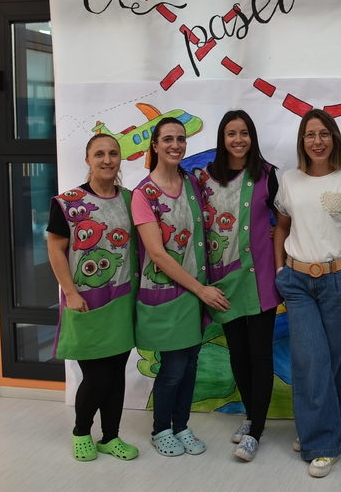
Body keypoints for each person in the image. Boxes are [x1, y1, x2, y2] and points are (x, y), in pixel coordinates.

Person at [273, 109, 341, 478]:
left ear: (334, 139)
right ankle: (323, 442)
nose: (317, 141)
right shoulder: (290, 180)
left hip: (337, 280)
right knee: (311, 360)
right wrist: (280, 270)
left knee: (337, 362)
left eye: (324, 134)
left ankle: (322, 432)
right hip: (297, 283)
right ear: (302, 141)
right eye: (310, 134)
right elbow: (281, 227)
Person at [132, 117, 230, 457]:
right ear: (155, 145)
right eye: (168, 139)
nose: (176, 145)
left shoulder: (191, 184)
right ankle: (161, 429)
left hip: (194, 291)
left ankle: (181, 425)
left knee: (190, 365)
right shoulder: (143, 195)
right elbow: (157, 254)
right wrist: (201, 290)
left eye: (181, 139)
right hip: (170, 293)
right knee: (173, 368)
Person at [47, 133, 139, 462]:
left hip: (121, 301)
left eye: (113, 153)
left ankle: (111, 437)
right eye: (99, 154)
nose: (107, 160)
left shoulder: (130, 201)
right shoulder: (68, 203)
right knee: (97, 376)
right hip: (84, 302)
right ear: (88, 159)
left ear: (120, 159)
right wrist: (70, 292)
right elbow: (55, 249)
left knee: (115, 374)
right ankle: (81, 431)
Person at [199, 110, 280, 462]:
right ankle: (251, 416)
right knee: (238, 353)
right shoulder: (204, 179)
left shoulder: (268, 175)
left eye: (244, 132)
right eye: (231, 133)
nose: (238, 139)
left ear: (252, 137)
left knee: (260, 354)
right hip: (223, 280)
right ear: (222, 138)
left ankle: (256, 430)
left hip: (260, 278)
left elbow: (286, 220)